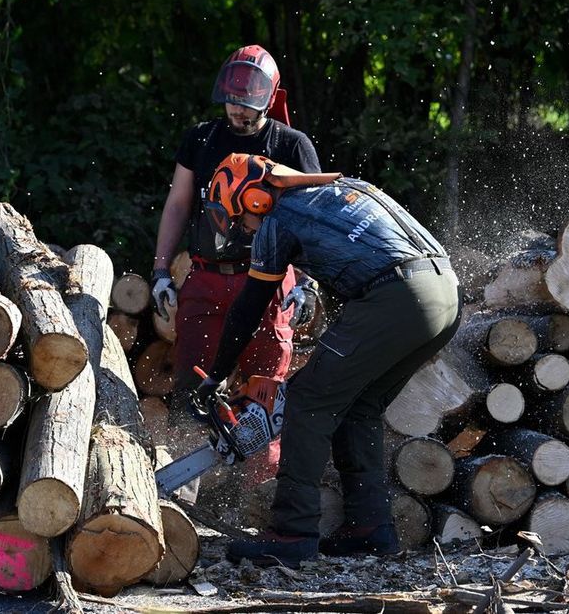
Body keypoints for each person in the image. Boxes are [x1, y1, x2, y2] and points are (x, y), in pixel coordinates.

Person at [194, 153, 461, 567]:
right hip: (444, 290)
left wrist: (214, 376)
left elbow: (249, 309)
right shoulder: (340, 189)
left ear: (256, 201)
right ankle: (370, 527)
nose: (240, 227)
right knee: (360, 406)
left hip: (397, 296)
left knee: (309, 398)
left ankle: (292, 532)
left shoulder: (279, 218)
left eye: (237, 216)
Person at [150, 45, 322, 455]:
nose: (238, 110)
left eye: (247, 103)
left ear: (268, 98)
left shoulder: (291, 145)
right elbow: (177, 204)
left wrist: (310, 281)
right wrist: (160, 271)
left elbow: (318, 219)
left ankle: (260, 505)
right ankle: (184, 498)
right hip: (206, 279)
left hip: (268, 282)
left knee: (263, 402)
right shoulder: (201, 138)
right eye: (232, 101)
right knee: (192, 391)